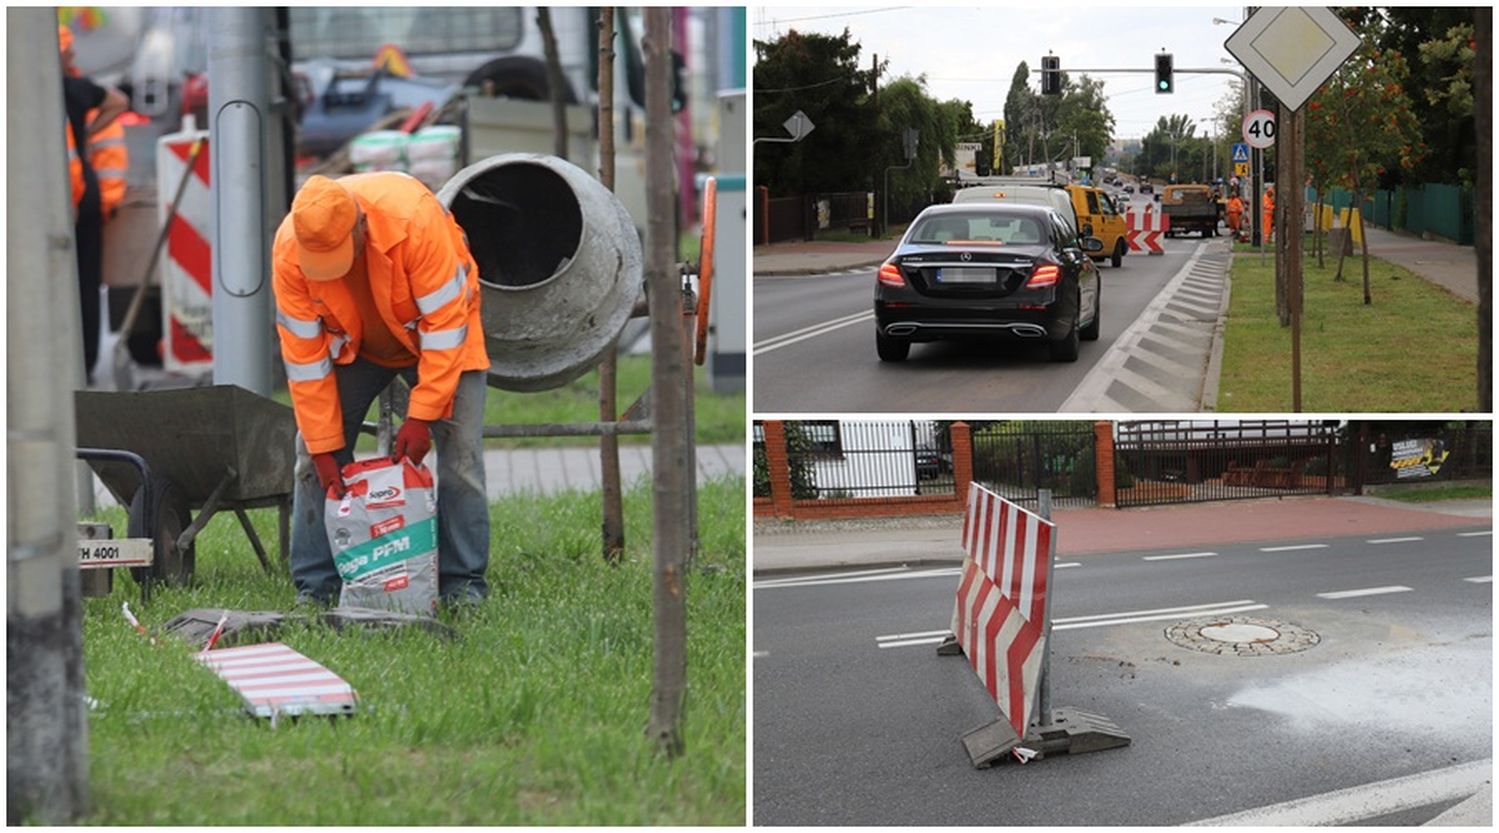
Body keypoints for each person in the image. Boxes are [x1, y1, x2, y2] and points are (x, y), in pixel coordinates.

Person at [272, 173, 492, 605]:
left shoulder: (414, 222)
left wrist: (423, 415)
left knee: (461, 455)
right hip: (357, 346)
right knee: (309, 456)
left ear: (361, 225)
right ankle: (316, 588)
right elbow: (304, 359)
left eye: (338, 255)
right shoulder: (289, 250)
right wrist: (322, 446)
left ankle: (463, 586)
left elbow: (445, 328)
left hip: (436, 337)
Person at [59, 24, 128, 384]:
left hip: (61, 199)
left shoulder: (35, 91)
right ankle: (83, 367)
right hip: (83, 197)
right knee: (85, 283)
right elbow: (118, 101)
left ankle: (65, 365)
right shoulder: (73, 88)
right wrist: (89, 132)